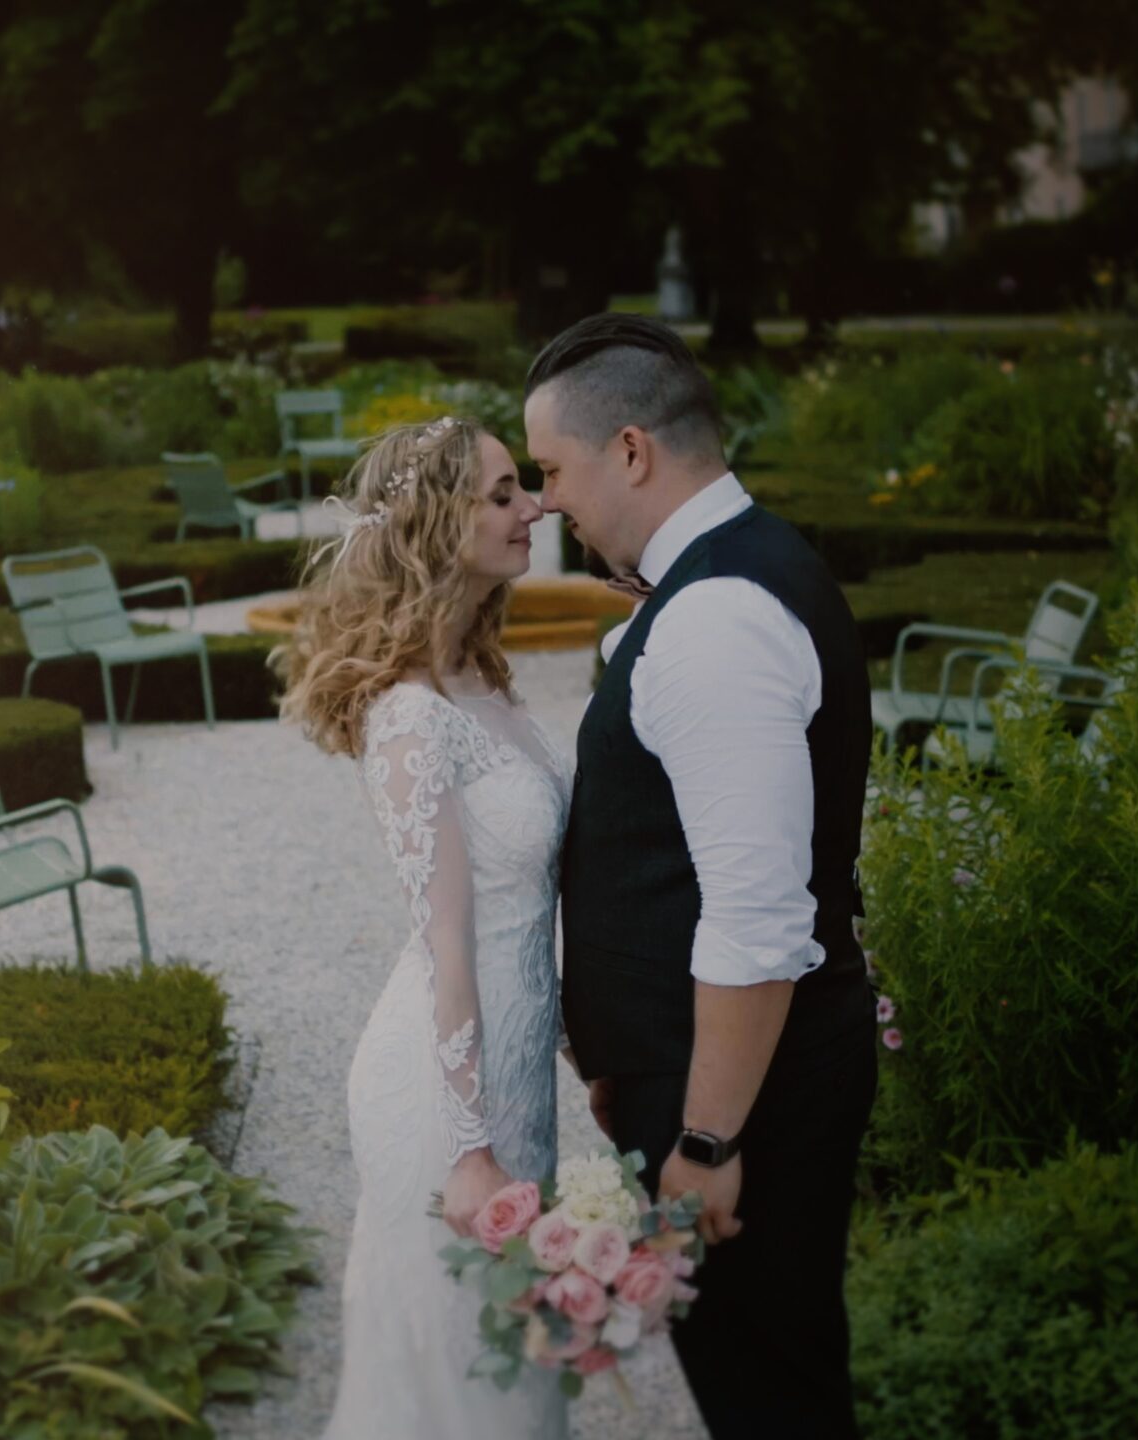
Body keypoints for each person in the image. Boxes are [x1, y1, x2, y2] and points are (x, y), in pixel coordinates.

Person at [527, 312, 880, 1438]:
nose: (546, 502)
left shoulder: (717, 616)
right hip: (706, 1076)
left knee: (767, 1396)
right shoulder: (714, 583)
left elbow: (756, 917)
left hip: (739, 1102)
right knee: (770, 1382)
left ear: (630, 450)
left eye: (552, 470)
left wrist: (707, 1139)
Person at [276, 415, 572, 1440]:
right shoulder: (408, 716)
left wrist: (579, 1043)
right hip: (449, 1100)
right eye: (502, 493)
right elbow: (449, 946)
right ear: (439, 523)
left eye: (524, 487)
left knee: (513, 1371)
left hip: (518, 1075)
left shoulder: (482, 678)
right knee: (463, 1383)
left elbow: (528, 914)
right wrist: (468, 1150)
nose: (534, 506)